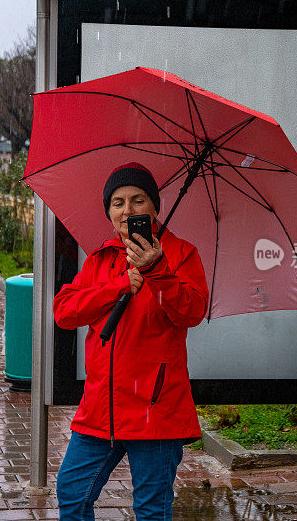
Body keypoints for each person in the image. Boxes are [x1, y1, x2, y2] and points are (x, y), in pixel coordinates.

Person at [54, 162, 209, 521]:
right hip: (100, 407)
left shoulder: (182, 254)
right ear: (109, 212)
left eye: (139, 200)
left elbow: (192, 311)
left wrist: (157, 270)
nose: (129, 210)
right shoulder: (102, 258)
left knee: (151, 510)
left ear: (155, 207)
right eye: (118, 202)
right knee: (72, 492)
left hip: (155, 409)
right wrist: (120, 285)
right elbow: (64, 311)